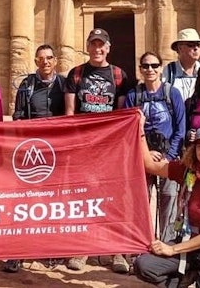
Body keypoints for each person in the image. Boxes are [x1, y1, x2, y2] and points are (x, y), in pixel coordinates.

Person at [134, 125, 200, 288]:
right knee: (143, 266)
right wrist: (140, 130)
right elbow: (150, 166)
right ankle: (185, 277)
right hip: (184, 240)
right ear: (194, 149)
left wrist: (172, 250)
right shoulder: (186, 171)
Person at [64, 27, 131, 273]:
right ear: (88, 46)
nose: (97, 48)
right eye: (93, 44)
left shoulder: (119, 75)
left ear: (108, 47)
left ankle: (116, 252)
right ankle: (83, 250)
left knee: (113, 198)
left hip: (109, 147)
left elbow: (121, 115)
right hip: (83, 146)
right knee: (83, 198)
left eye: (101, 44)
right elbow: (70, 113)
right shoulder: (77, 74)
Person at [3, 44, 66, 273]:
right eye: (41, 59)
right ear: (36, 61)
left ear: (55, 60)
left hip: (56, 152)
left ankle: (50, 250)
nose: (46, 62)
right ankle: (17, 252)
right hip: (31, 151)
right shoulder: (27, 85)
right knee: (25, 202)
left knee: (53, 203)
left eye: (49, 58)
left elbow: (71, 117)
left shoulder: (64, 85)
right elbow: (18, 118)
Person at [124, 51, 185, 243]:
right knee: (140, 201)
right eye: (146, 66)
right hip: (142, 155)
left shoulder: (171, 93)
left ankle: (166, 244)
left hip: (168, 156)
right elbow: (127, 129)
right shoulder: (134, 95)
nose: (150, 69)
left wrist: (169, 156)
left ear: (161, 68)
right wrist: (146, 154)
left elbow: (180, 128)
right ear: (140, 69)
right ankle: (140, 244)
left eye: (154, 65)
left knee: (168, 199)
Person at [163, 29, 200, 103]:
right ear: (180, 48)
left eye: (198, 44)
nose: (196, 48)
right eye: (191, 45)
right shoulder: (169, 71)